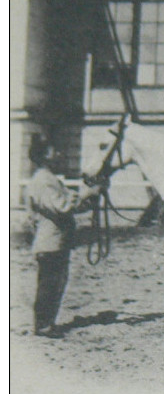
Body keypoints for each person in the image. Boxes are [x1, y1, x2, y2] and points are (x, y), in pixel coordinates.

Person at [25, 134, 103, 337]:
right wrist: (87, 193)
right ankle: (43, 325)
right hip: (51, 242)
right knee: (50, 284)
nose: (57, 154)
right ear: (43, 155)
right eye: (52, 151)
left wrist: (91, 197)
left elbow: (69, 204)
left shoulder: (48, 179)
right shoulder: (44, 180)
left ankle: (46, 323)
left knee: (55, 283)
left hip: (55, 242)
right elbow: (64, 206)